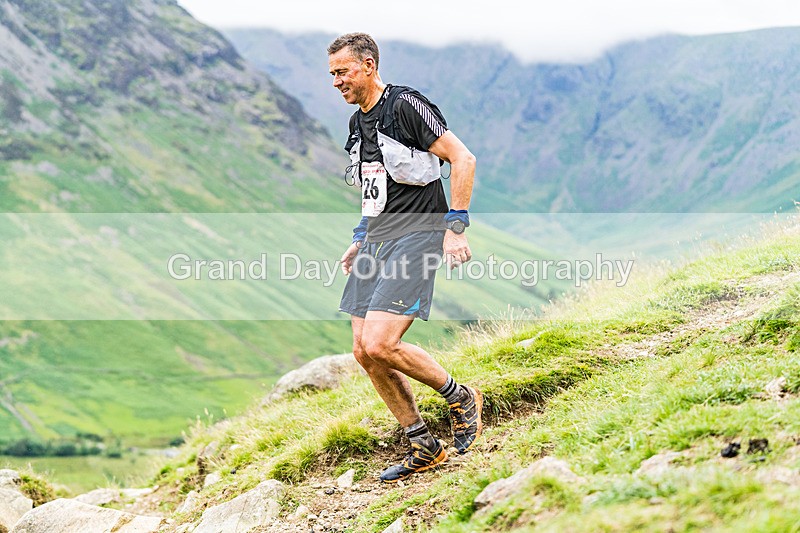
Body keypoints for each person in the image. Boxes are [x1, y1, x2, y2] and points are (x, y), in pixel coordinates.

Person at [327, 32, 482, 483]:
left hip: (418, 236)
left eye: (343, 71)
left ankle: (461, 396)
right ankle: (423, 444)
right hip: (377, 242)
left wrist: (455, 227)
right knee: (364, 351)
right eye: (332, 74)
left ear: (369, 65)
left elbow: (463, 158)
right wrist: (360, 237)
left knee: (382, 342)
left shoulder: (405, 106)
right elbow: (374, 189)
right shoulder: (357, 123)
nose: (336, 82)